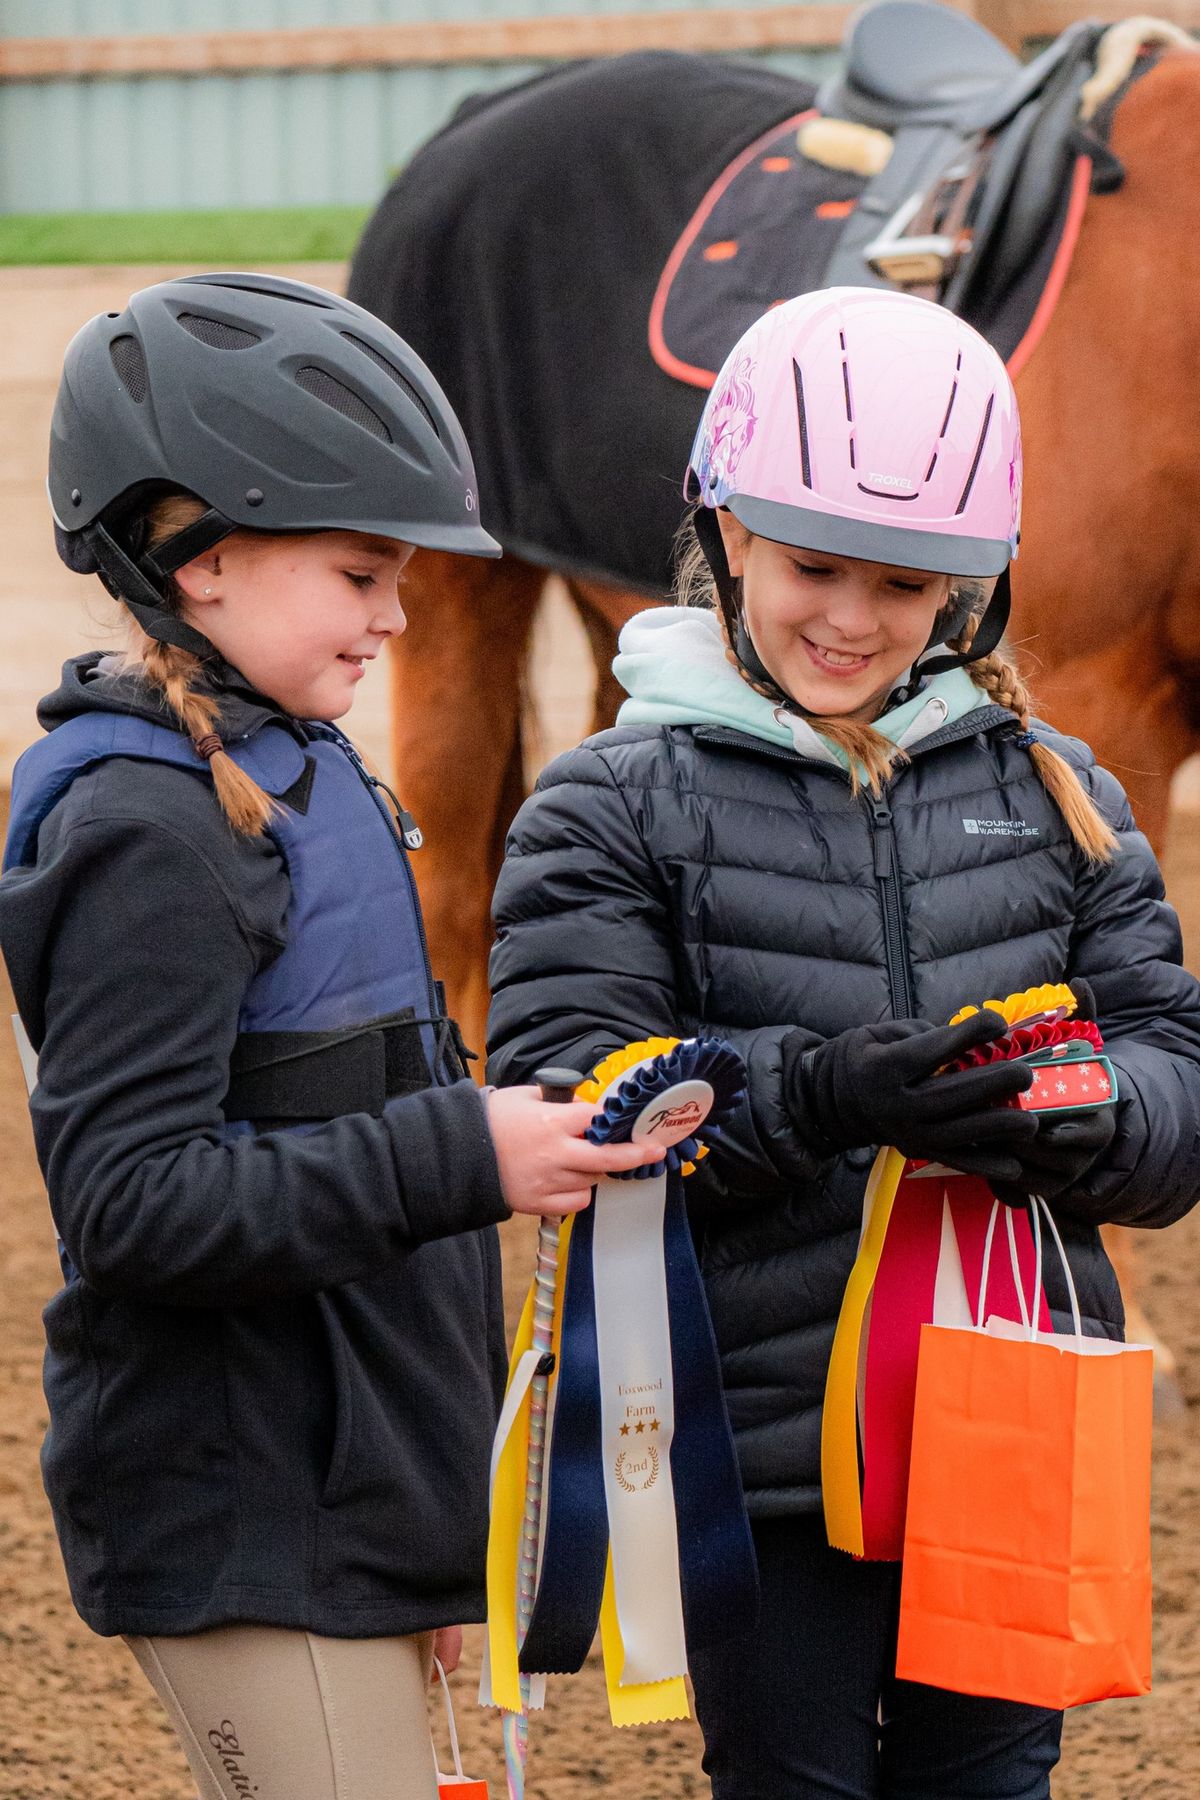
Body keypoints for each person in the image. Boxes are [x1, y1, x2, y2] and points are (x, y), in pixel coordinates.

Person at [485, 287, 1200, 1799]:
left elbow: (1174, 1070)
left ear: (975, 587)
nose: (855, 621)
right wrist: (816, 1096)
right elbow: (567, 1103)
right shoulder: (609, 808)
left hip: (1007, 1427)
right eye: (814, 567)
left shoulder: (1064, 794)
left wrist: (1099, 1114)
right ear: (725, 531)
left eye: (910, 583)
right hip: (763, 1461)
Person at [0, 272, 656, 1800]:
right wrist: (463, 1149)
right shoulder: (148, 833)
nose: (400, 615)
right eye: (363, 573)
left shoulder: (304, 775)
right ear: (211, 558)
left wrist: (440, 1531)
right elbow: (133, 1204)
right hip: (248, 1517)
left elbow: (365, 1155)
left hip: (357, 1502)